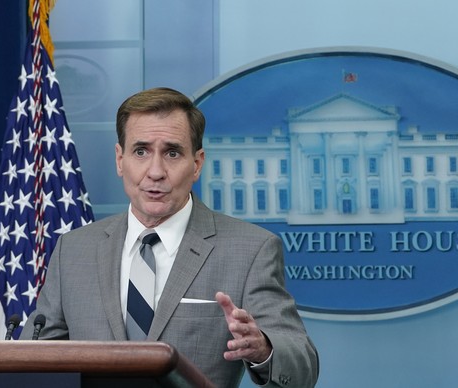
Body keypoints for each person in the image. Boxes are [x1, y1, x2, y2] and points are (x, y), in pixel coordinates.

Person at [21, 87, 319, 387]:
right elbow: (30, 361)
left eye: (172, 153)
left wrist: (263, 349)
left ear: (197, 164)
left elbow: (302, 366)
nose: (155, 172)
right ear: (119, 159)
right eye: (141, 151)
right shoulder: (73, 250)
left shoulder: (251, 250)